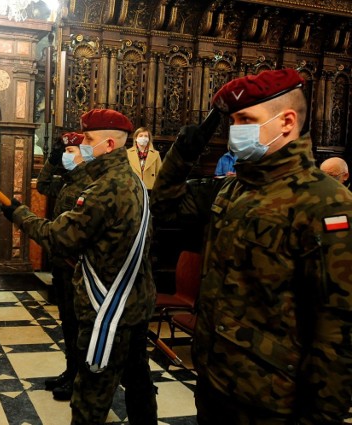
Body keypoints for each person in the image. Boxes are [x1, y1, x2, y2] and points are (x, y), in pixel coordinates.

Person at [150, 68, 352, 424]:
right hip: (215, 382)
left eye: (246, 119)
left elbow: (337, 329)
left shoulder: (327, 202)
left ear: (286, 121)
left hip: (271, 402)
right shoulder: (232, 190)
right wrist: (186, 148)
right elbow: (165, 205)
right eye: (232, 121)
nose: (235, 130)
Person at [1, 109, 157, 425]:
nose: (83, 145)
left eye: (88, 140)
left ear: (109, 144)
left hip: (109, 309)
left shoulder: (105, 189)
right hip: (137, 304)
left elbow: (59, 237)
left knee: (90, 398)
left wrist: (20, 214)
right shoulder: (134, 183)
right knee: (138, 381)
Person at [36, 131, 90, 401]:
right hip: (60, 264)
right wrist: (52, 159)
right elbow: (42, 185)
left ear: (85, 154)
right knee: (67, 322)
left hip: (76, 267)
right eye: (65, 152)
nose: (67, 157)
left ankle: (80, 378)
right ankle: (70, 371)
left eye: (72, 152)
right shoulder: (66, 181)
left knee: (79, 325)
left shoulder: (90, 184)